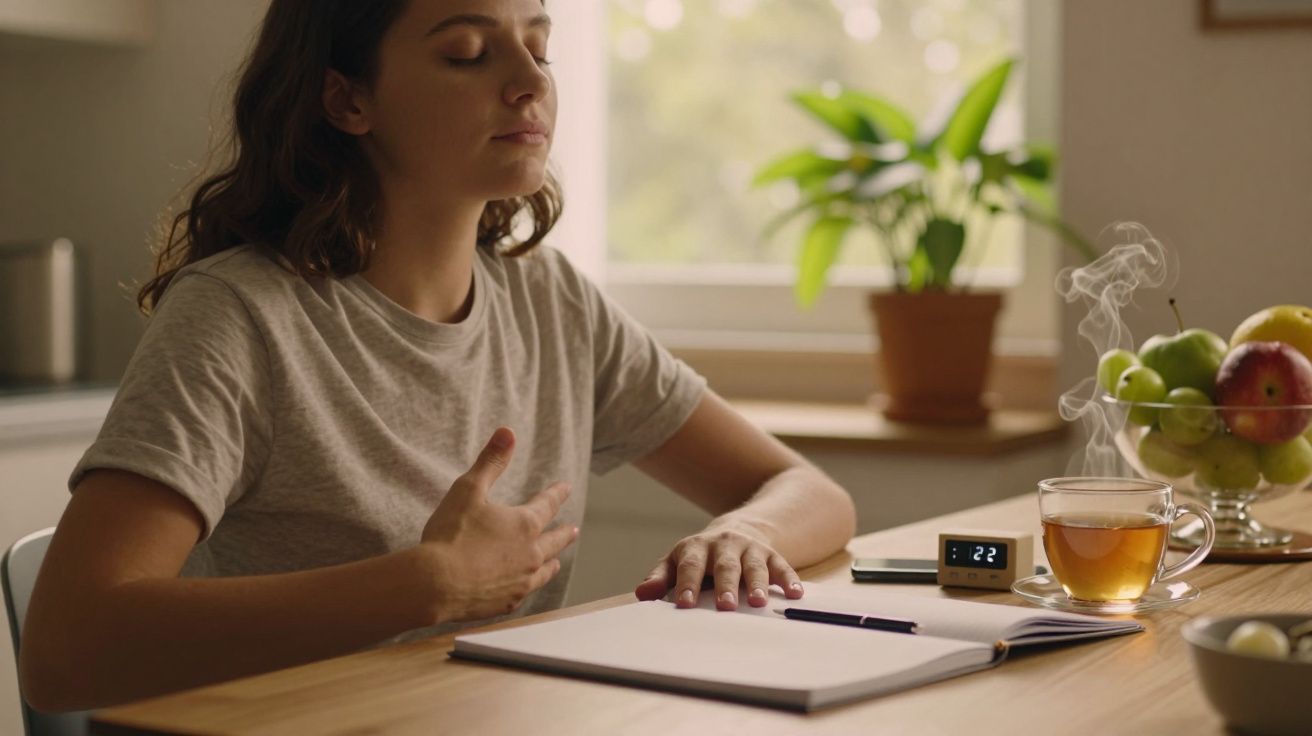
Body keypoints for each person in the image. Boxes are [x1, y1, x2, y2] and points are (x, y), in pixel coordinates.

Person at [18, 0, 856, 712]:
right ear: (348, 101)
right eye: (467, 52)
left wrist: (743, 534)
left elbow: (810, 493)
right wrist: (423, 586)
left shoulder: (550, 300)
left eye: (540, 45)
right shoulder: (238, 316)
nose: (529, 80)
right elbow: (65, 647)